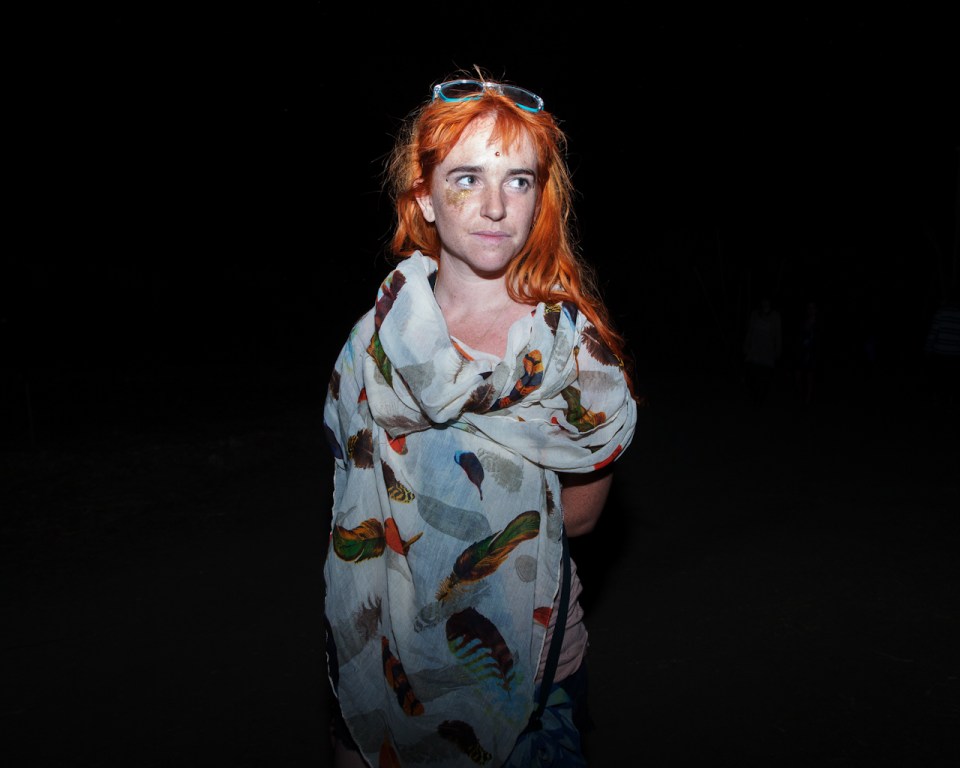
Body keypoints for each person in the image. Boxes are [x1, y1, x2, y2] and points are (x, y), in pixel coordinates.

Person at [322, 68, 639, 767]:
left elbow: (582, 517)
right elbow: (355, 518)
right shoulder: (374, 345)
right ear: (425, 197)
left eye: (518, 180)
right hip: (393, 660)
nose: (495, 205)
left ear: (538, 199)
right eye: (467, 178)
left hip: (533, 673)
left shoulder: (571, 351)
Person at [742, 295, 782, 403]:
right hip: (754, 351)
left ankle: (761, 398)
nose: (765, 303)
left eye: (767, 301)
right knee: (752, 375)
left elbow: (778, 335)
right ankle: (753, 396)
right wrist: (746, 345)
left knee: (765, 377)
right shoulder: (755, 314)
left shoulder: (775, 316)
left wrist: (778, 350)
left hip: (767, 352)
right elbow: (750, 331)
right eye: (763, 300)